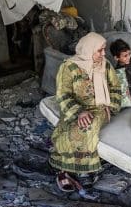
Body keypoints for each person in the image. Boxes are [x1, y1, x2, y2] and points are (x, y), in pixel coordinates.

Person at [49, 32, 122, 189]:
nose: (103, 54)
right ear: (89, 49)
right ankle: (68, 167)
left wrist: (111, 106)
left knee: (88, 125)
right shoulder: (68, 67)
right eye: (100, 50)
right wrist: (79, 111)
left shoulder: (105, 64)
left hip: (99, 107)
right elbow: (63, 94)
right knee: (70, 127)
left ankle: (83, 171)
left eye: (104, 50)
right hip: (76, 107)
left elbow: (115, 86)